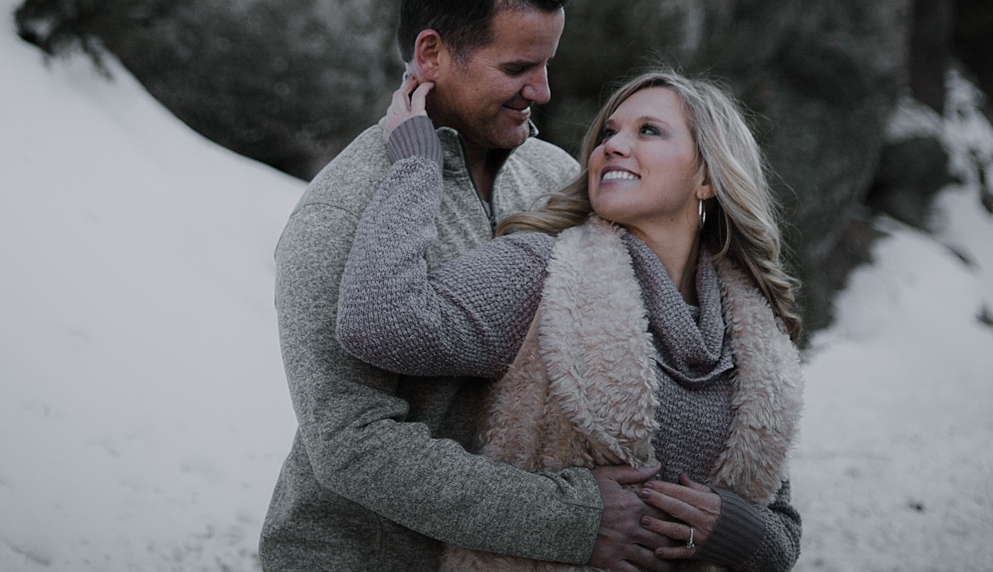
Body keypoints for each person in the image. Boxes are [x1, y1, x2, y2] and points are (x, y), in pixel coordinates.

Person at [260, 0, 667, 572]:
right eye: (516, 69)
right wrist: (569, 519)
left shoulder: (555, 175)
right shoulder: (339, 211)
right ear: (431, 55)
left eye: (546, 64)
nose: (542, 92)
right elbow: (351, 444)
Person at [337, 69, 805, 572]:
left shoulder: (753, 333)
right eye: (608, 132)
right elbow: (378, 323)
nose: (613, 146)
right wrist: (416, 166)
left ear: (709, 178)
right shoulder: (543, 271)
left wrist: (733, 531)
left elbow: (781, 529)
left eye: (648, 131)